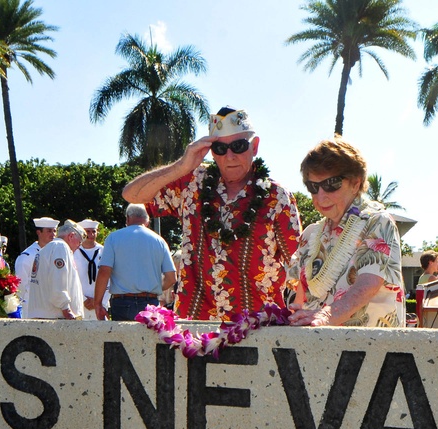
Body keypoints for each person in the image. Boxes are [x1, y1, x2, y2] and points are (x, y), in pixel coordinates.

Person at [121, 106, 300, 320]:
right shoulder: (192, 183)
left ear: (255, 146)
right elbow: (132, 195)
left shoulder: (277, 197)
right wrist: (181, 166)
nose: (230, 156)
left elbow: (299, 264)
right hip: (194, 327)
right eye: (220, 149)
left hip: (257, 329)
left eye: (239, 146)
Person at [287, 138, 405, 327]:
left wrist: (326, 316)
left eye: (331, 184)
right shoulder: (310, 235)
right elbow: (300, 295)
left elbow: (368, 284)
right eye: (313, 187)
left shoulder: (377, 222)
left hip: (372, 348)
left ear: (355, 183)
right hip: (316, 348)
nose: (321, 196)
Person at [94, 204, 177, 321]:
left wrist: (98, 303)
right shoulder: (160, 241)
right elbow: (171, 278)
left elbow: (104, 271)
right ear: (147, 220)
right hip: (150, 303)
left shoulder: (113, 238)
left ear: (127, 218)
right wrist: (155, 288)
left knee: (122, 338)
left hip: (122, 303)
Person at [24, 220, 85, 319]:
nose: (79, 246)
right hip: (56, 317)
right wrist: (66, 309)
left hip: (45, 314)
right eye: (79, 242)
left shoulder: (46, 249)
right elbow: (58, 280)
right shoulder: (61, 247)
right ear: (71, 236)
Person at [14, 217, 57, 314]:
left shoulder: (56, 254)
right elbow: (20, 287)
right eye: (49, 231)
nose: (53, 234)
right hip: (31, 308)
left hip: (51, 308)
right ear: (39, 232)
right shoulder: (27, 256)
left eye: (54, 231)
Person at [73, 218, 108, 321]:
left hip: (100, 305)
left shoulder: (104, 251)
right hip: (79, 304)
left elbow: (110, 279)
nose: (91, 234)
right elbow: (71, 279)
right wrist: (83, 300)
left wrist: (99, 302)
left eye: (94, 231)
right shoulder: (74, 252)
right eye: (88, 231)